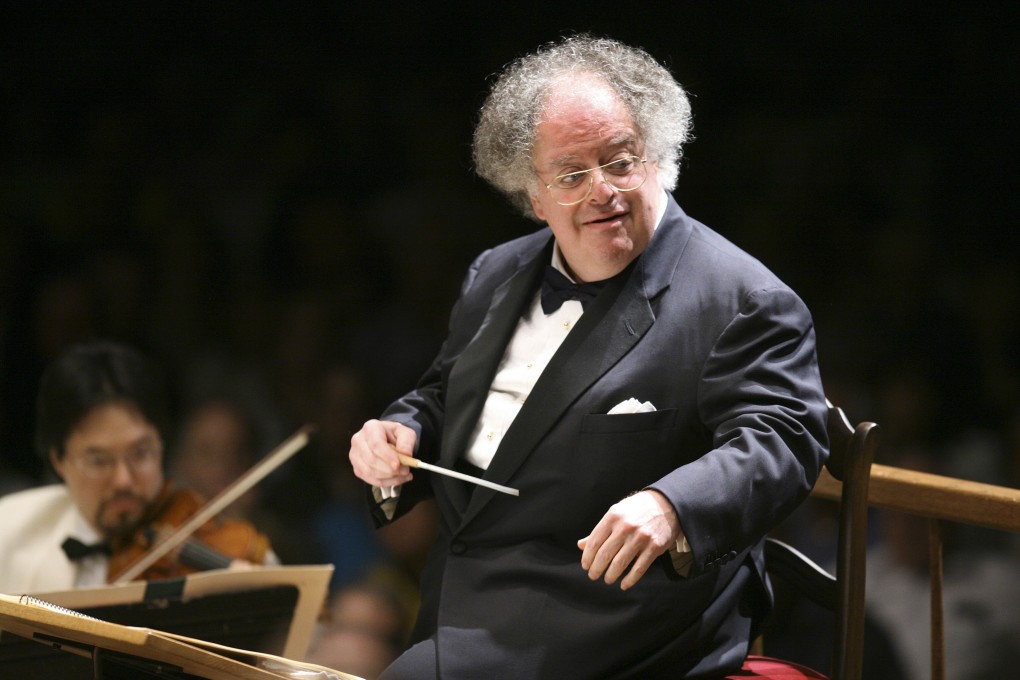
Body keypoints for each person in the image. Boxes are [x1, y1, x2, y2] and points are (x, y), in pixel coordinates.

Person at [347, 35, 828, 679]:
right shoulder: (494, 271)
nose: (602, 190)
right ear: (534, 197)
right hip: (457, 602)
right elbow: (441, 394)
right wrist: (400, 432)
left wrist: (672, 505)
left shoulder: (743, 298)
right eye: (572, 174)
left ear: (656, 159)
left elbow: (785, 437)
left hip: (613, 620)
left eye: (620, 161)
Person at [0, 340, 278, 594]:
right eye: (98, 460)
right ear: (58, 461)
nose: (123, 479)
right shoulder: (10, 533)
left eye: (140, 453)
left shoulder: (226, 546)